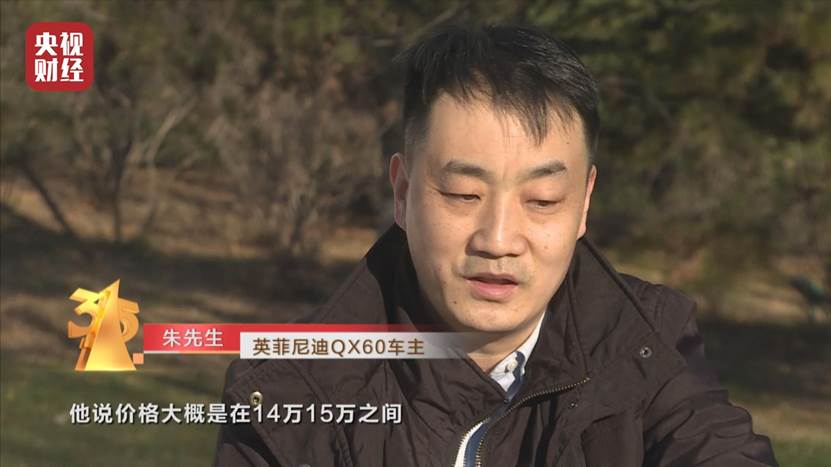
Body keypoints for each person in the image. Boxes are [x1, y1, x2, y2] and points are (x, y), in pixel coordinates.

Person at [213, 24, 777, 466]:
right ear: (403, 192)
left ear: (584, 202)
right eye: (464, 194)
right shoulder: (289, 389)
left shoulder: (646, 344)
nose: (499, 240)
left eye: (543, 200)